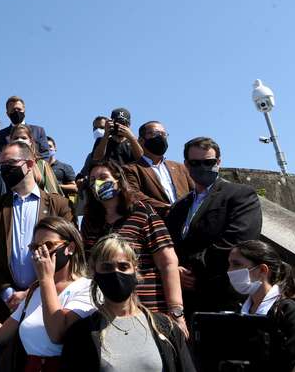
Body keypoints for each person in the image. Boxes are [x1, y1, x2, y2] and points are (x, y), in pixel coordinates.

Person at [0, 216, 94, 372]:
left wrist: (45, 279)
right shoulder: (36, 290)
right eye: (35, 247)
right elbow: (1, 333)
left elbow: (56, 334)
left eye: (48, 245)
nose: (41, 252)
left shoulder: (86, 288)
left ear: (71, 247)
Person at [60, 234, 195, 372]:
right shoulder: (80, 335)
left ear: (135, 271)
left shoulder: (166, 328)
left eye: (123, 266)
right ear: (94, 273)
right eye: (107, 267)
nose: (116, 273)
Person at [80, 161, 187, 334]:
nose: (97, 183)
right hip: (107, 312)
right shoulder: (89, 221)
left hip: (149, 310)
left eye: (103, 177)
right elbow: (87, 266)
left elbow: (167, 263)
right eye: (92, 180)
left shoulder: (142, 212)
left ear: (118, 180)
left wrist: (176, 312)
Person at [166, 137, 262, 316]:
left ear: (218, 162)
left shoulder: (240, 195)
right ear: (186, 165)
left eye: (208, 162)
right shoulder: (179, 206)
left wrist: (193, 268)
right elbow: (168, 243)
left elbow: (239, 239)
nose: (202, 167)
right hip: (185, 301)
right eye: (195, 163)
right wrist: (174, 268)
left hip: (222, 296)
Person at [0, 142, 73, 322]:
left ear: (30, 165)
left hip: (49, 300)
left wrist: (32, 292)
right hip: (6, 306)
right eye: (2, 165)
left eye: (10, 164)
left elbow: (68, 252)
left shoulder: (59, 205)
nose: (4, 169)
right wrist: (7, 293)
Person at [227, 240, 295, 372]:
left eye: (236, 264)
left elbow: (292, 362)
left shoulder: (288, 312)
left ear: (262, 270)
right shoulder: (239, 309)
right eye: (229, 264)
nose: (230, 271)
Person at [123, 121, 193, 218]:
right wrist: (169, 208)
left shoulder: (180, 167)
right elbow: (134, 195)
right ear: (141, 140)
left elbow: (196, 192)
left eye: (164, 134)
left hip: (187, 224)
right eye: (155, 134)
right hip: (157, 226)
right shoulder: (131, 169)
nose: (160, 137)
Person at [80, 108, 143, 177]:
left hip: (129, 180)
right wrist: (106, 134)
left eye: (123, 123)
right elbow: (97, 158)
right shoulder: (102, 140)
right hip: (109, 180)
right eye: (117, 123)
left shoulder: (133, 142)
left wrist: (131, 137)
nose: (119, 126)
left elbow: (141, 159)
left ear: (129, 125)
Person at [8, 124, 62, 195]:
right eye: (16, 138)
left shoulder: (42, 165)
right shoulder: (6, 166)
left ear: (30, 141)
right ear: (10, 141)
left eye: (23, 138)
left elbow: (54, 194)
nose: (20, 140)